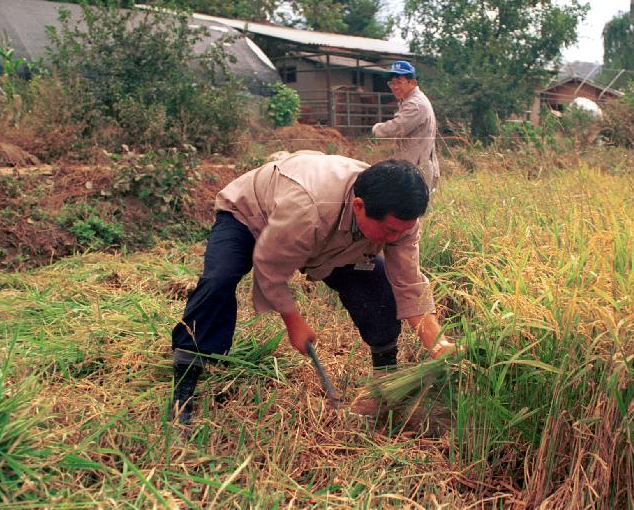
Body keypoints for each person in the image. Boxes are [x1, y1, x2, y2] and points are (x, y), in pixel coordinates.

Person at [170, 153, 455, 424]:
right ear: (359, 207)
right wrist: (294, 321)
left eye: (402, 231)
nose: (395, 238)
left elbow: (408, 283)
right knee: (219, 280)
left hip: (325, 233)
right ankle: (186, 380)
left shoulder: (400, 222)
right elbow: (270, 268)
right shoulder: (308, 206)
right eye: (390, 231)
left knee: (377, 286)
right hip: (251, 217)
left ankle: (386, 383)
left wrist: (437, 344)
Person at [372, 60, 440, 190]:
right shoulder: (411, 100)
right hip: (413, 168)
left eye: (399, 82)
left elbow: (397, 127)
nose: (394, 87)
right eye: (392, 83)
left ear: (412, 83)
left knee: (411, 208)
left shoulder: (415, 104)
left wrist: (376, 129)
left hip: (416, 171)